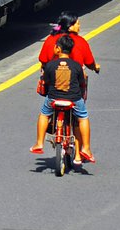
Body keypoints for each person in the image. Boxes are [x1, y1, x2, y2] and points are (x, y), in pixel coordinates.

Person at [31, 35, 95, 164]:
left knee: (44, 114)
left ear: (58, 49)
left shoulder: (50, 65)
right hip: (74, 99)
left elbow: (46, 81)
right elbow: (82, 82)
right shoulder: (77, 66)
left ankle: (39, 143)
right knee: (83, 117)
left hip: (53, 99)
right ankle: (86, 149)